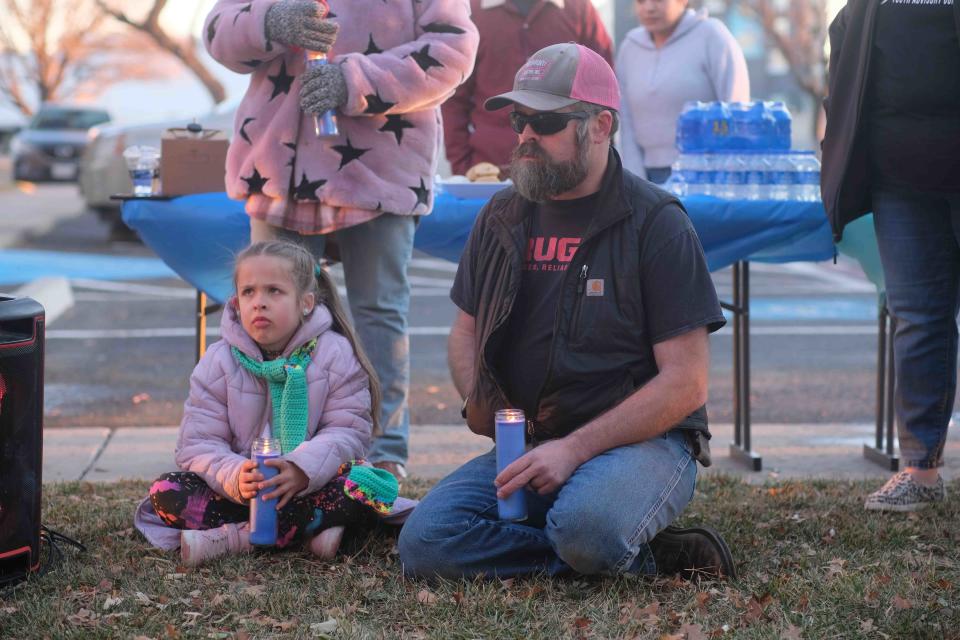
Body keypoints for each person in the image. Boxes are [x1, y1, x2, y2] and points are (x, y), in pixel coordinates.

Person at [398, 43, 736, 580]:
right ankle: (639, 555)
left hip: (639, 444)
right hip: (534, 445)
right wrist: (487, 406)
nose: (526, 135)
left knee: (587, 527)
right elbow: (464, 332)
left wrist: (575, 449)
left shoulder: (656, 222)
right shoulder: (501, 214)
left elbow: (686, 383)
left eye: (546, 120)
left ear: (600, 126)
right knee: (426, 544)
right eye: (518, 119)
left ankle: (601, 539)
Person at [203, 0, 480, 482]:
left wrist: (354, 83)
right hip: (278, 174)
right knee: (269, 318)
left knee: (379, 314)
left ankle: (382, 454)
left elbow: (451, 51)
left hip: (381, 172)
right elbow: (217, 32)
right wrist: (269, 22)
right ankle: (267, 452)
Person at [134, 241, 414, 566]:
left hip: (312, 486)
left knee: (361, 486)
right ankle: (309, 531)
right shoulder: (218, 361)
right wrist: (237, 476)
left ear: (306, 302)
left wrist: (301, 468)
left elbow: (348, 433)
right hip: (240, 493)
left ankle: (233, 539)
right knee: (167, 490)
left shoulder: (335, 354)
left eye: (274, 291)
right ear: (236, 303)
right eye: (249, 292)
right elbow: (197, 444)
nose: (259, 303)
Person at [821, 1, 959, 511]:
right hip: (899, 181)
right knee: (916, 319)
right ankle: (922, 471)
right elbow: (844, 56)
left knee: (920, 320)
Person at [441, 0, 613, 178]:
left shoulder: (578, 8)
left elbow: (603, 91)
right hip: (489, 170)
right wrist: (462, 165)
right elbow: (453, 95)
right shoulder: (473, 11)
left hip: (564, 173)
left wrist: (601, 161)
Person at [615, 0, 749, 183]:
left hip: (706, 176)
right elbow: (625, 119)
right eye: (640, 1)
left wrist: (725, 174)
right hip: (646, 176)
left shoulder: (712, 36)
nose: (649, 8)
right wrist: (635, 179)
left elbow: (736, 108)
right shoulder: (629, 48)